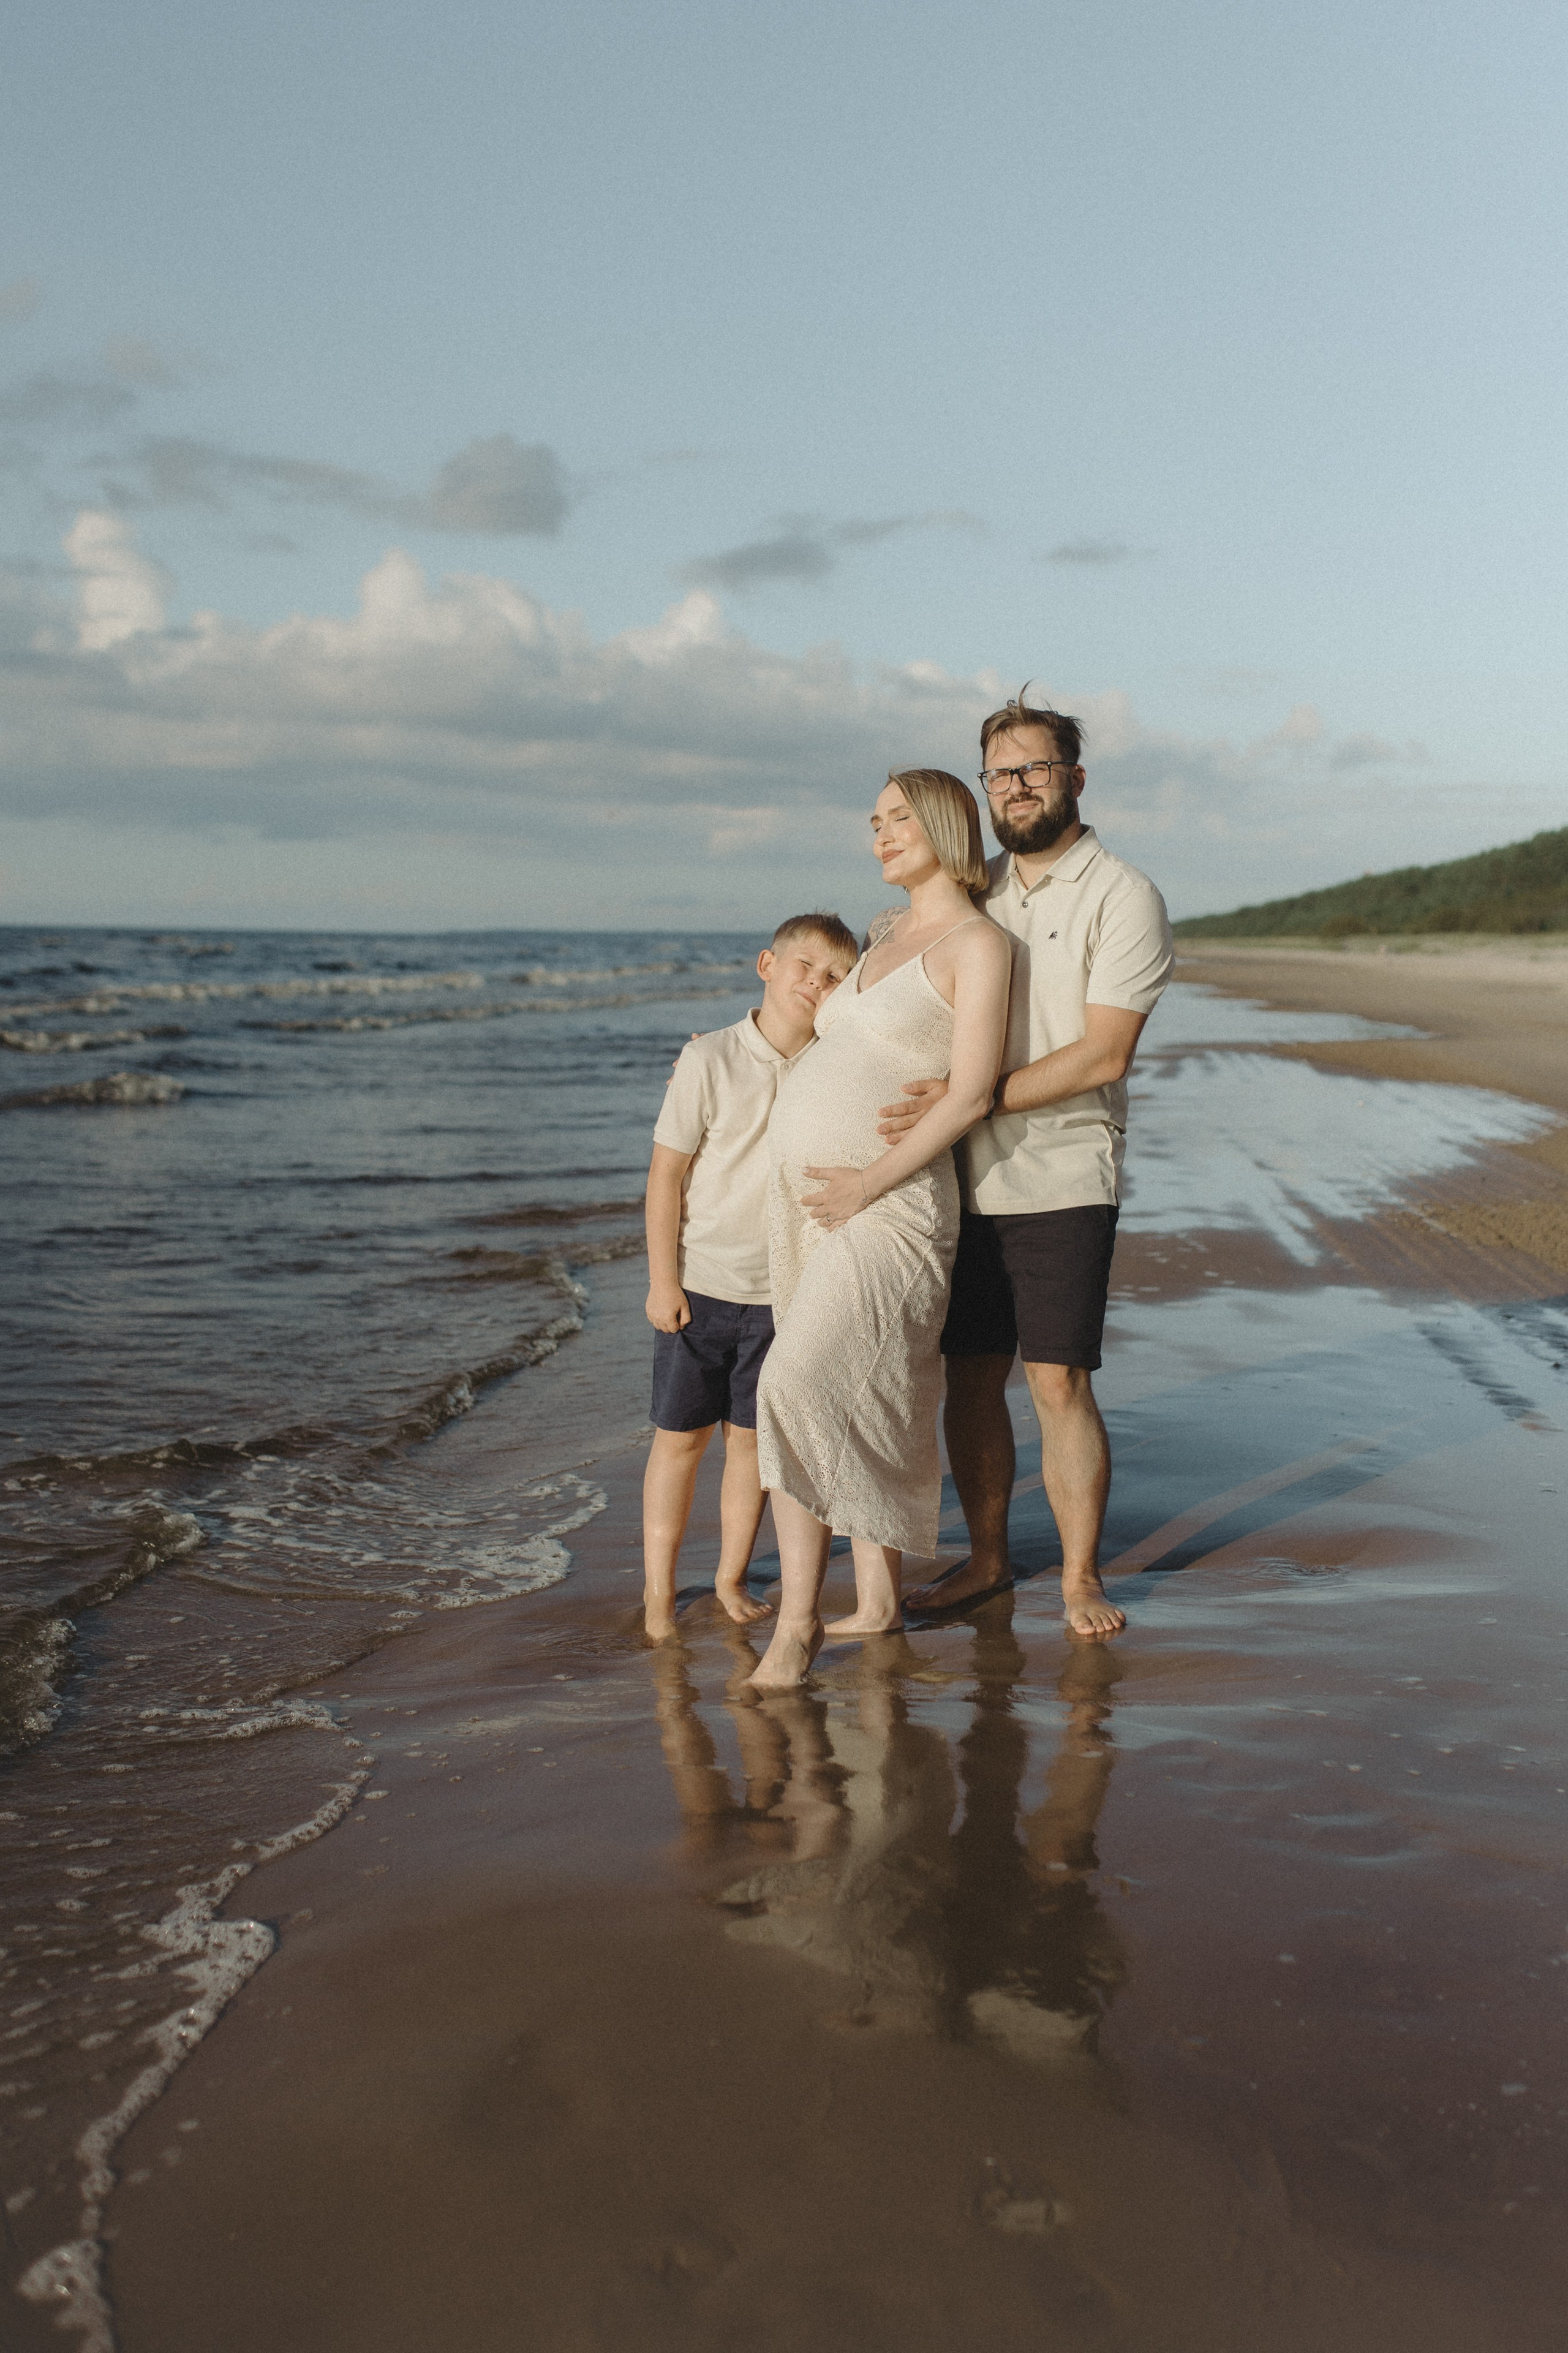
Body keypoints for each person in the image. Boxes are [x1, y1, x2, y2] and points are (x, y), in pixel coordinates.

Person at [880, 689, 1173, 1638]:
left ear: (1074, 779)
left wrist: (975, 1098)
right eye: (999, 773)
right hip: (957, 1180)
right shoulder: (975, 895)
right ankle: (992, 1557)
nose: (1015, 786)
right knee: (969, 1379)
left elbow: (1104, 1054)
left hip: (1064, 1173)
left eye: (1033, 768)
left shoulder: (1123, 896)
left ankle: (1082, 1576)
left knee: (1056, 1381)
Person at [747, 770, 1012, 1691]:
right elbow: (830, 1038)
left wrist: (866, 1180)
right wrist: (729, 1050)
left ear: (946, 822)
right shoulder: (885, 935)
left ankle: (795, 1630)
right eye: (874, 822)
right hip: (815, 1206)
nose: (881, 834)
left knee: (795, 1384)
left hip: (889, 1204)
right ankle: (876, 1601)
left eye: (899, 817)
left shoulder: (978, 943)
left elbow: (971, 1090)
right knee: (868, 1397)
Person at [642, 912, 859, 1641]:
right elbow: (666, 1176)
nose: (816, 984)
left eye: (834, 977)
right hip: (700, 1285)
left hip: (783, 1295)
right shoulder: (709, 1059)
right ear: (766, 964)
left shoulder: (834, 1064)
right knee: (678, 1442)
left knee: (748, 1446)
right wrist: (661, 1279)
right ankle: (657, 1594)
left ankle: (731, 1577)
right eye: (805, 965)